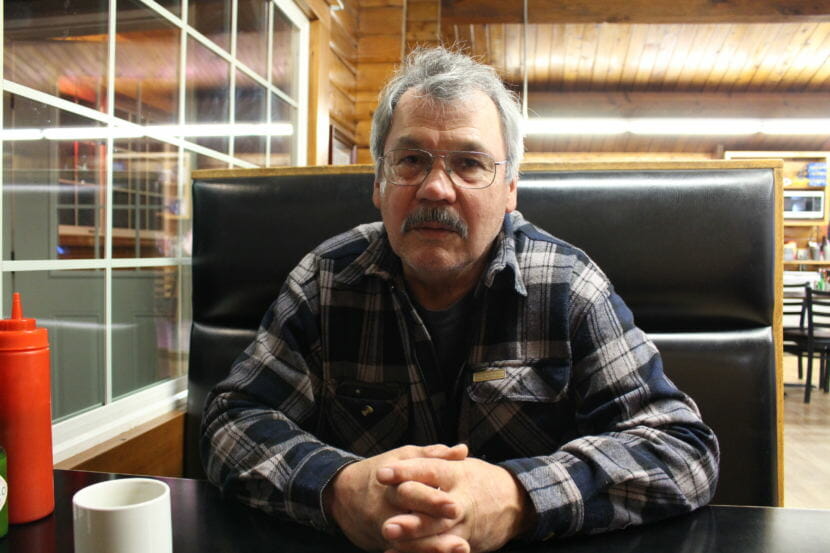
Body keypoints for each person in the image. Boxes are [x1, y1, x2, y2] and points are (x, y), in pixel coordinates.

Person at [201, 47, 719, 553]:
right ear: (379, 183)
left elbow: (682, 451)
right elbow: (232, 420)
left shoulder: (569, 284)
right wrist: (336, 489)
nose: (435, 189)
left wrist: (518, 498)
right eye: (410, 160)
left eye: (469, 163)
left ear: (510, 188)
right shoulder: (327, 278)